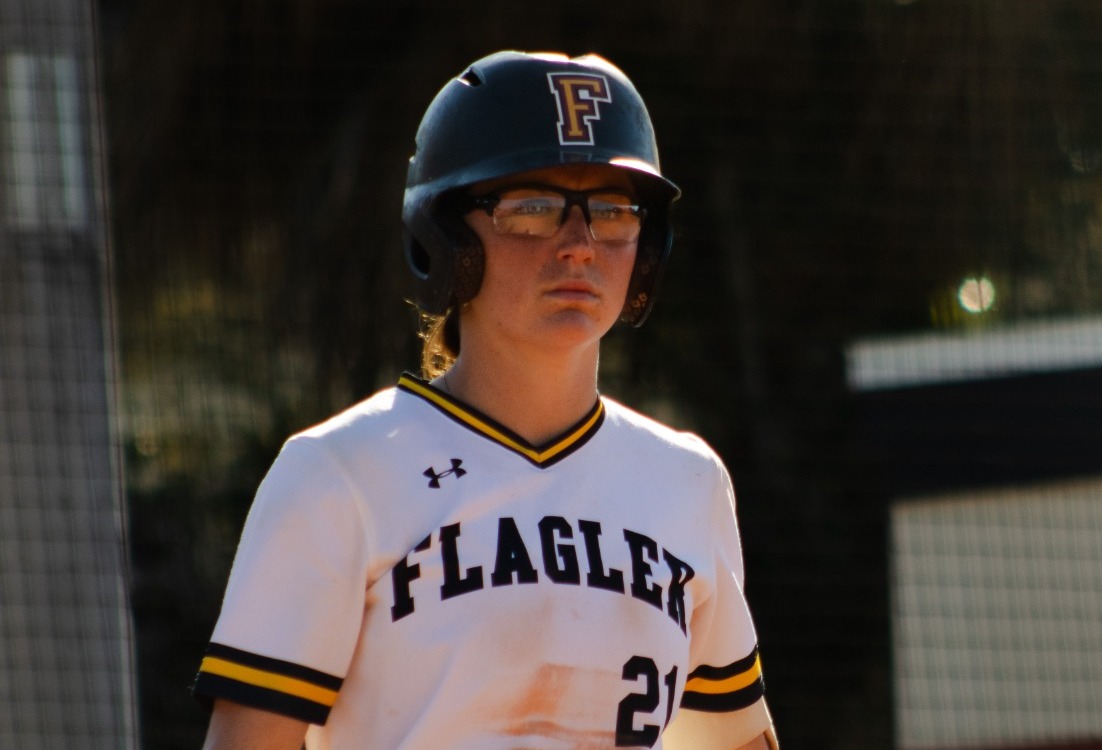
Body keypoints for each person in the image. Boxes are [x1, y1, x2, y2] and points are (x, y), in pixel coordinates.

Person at [193, 50, 778, 750]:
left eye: (614, 211)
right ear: (445, 237)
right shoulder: (336, 474)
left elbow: (731, 741)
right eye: (532, 210)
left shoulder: (688, 481)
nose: (580, 246)